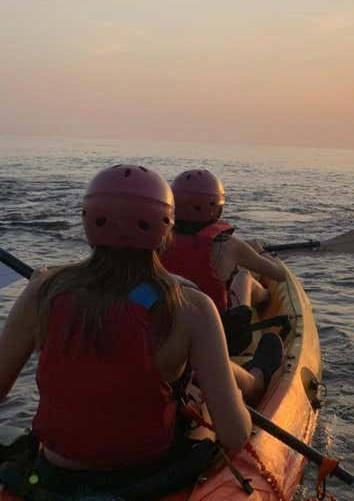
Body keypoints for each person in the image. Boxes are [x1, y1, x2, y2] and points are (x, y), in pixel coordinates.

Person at [0, 165, 281, 497]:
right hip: (146, 476)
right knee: (202, 412)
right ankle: (256, 378)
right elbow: (234, 435)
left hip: (54, 472)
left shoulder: (42, 289)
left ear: (88, 219)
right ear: (166, 227)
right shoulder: (192, 307)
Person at [159, 169, 286, 354]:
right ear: (216, 208)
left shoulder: (158, 240)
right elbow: (279, 275)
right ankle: (265, 298)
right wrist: (260, 251)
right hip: (221, 338)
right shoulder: (230, 246)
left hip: (171, 331)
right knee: (243, 276)